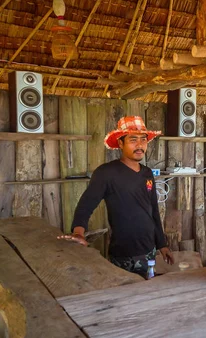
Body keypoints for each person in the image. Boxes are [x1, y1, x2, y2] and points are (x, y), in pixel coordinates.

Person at [58, 116, 174, 277]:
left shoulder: (147, 173)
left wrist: (162, 245)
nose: (139, 145)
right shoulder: (106, 173)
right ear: (120, 143)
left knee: (148, 293)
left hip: (149, 251)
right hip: (123, 254)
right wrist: (78, 232)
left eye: (143, 140)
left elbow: (153, 209)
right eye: (133, 140)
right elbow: (85, 206)